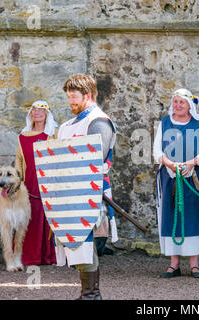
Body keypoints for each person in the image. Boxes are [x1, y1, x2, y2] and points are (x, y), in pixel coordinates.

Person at [55, 74, 118, 300]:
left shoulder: (99, 121)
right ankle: (88, 294)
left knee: (86, 243)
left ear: (88, 95)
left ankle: (92, 295)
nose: (70, 101)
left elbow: (94, 158)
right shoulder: (68, 125)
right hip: (70, 193)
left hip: (90, 193)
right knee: (77, 244)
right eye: (69, 97)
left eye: (74, 97)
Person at [153, 88, 199, 278]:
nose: (177, 105)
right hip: (170, 176)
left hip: (193, 176)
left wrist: (192, 162)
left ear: (189, 105)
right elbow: (157, 151)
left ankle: (194, 265)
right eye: (175, 101)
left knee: (193, 217)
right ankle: (174, 265)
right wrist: (171, 165)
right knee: (172, 216)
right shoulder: (164, 123)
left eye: (182, 102)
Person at [15, 100, 58, 266]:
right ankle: (30, 256)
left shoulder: (54, 134)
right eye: (34, 110)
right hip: (30, 185)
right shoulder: (23, 136)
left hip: (49, 183)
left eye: (41, 111)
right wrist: (19, 182)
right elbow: (19, 160)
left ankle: (49, 256)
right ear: (30, 114)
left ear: (47, 115)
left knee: (48, 220)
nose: (37, 113)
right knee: (30, 219)